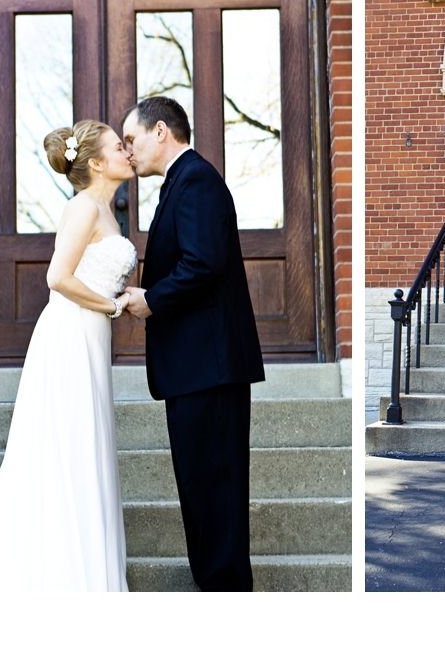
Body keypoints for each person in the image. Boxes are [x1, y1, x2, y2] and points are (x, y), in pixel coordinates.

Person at [0, 120, 137, 591]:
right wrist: (114, 305)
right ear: (95, 162)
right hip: (69, 338)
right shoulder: (83, 209)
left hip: (91, 338)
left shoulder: (108, 212)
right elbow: (58, 278)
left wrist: (126, 294)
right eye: (118, 147)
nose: (127, 152)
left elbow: (94, 273)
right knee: (67, 452)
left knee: (87, 452)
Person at [121, 96, 265, 592]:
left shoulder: (197, 181)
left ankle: (225, 597)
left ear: (161, 131)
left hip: (210, 368)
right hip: (195, 368)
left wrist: (152, 300)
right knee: (202, 492)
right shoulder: (180, 184)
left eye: (132, 139)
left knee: (215, 492)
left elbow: (203, 263)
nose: (129, 150)